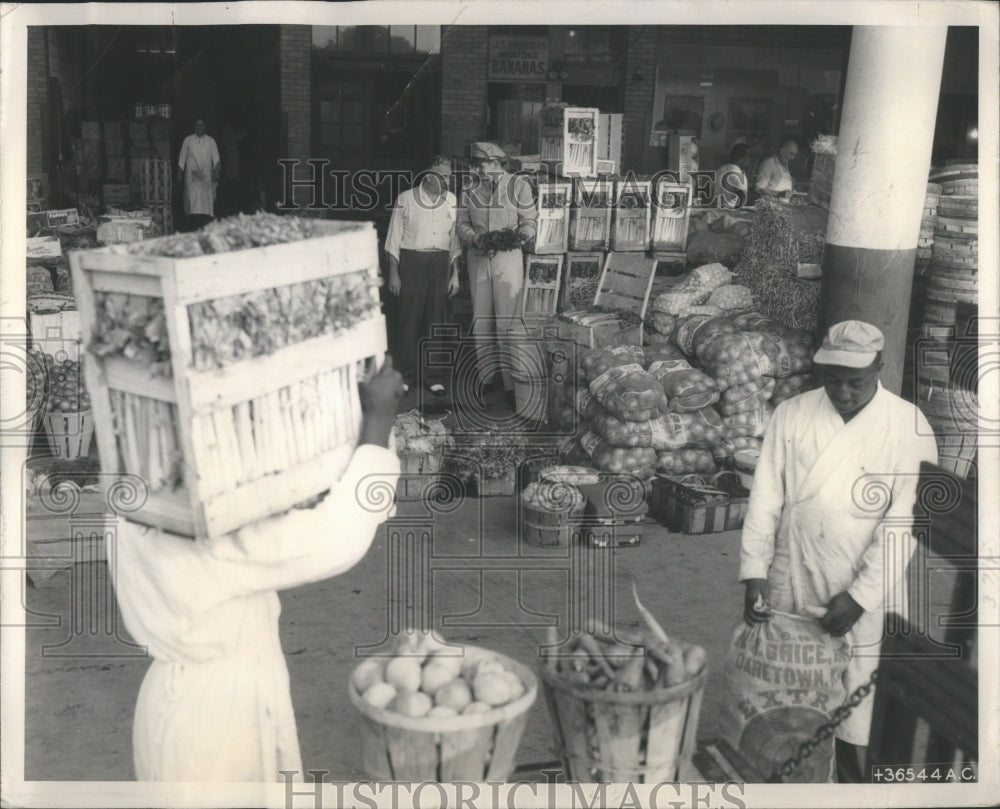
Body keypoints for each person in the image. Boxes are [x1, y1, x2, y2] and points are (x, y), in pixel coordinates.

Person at [107, 357, 405, 782]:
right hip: (213, 725)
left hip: (189, 705)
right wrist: (377, 422)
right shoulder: (195, 523)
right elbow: (335, 537)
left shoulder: (136, 479)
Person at [739, 320, 938, 783]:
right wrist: (754, 571)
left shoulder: (909, 426)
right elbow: (766, 497)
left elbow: (903, 523)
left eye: (856, 382)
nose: (843, 393)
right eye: (833, 380)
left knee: (857, 708)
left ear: (880, 368)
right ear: (820, 370)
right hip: (794, 576)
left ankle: (855, 785)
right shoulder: (792, 413)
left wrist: (861, 597)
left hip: (863, 589)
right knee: (791, 703)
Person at [456, 142, 537, 408]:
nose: (476, 168)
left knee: (508, 321)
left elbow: (529, 220)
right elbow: (462, 222)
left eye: (480, 164)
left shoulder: (519, 186)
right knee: (481, 319)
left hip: (508, 259)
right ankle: (486, 377)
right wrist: (472, 238)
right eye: (476, 164)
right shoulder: (470, 187)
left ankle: (510, 383)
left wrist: (521, 236)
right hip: (478, 259)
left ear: (495, 163)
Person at [385, 157, 462, 397]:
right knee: (409, 320)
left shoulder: (451, 201)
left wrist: (455, 275)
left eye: (449, 176)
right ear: (428, 176)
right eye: (442, 176)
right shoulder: (406, 199)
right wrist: (394, 274)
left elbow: (455, 241)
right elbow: (393, 240)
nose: (446, 181)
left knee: (436, 321)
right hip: (412, 262)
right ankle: (406, 376)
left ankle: (433, 376)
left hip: (440, 264)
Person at [177, 118, 221, 230]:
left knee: (206, 204)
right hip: (191, 177)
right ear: (194, 126)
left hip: (206, 177)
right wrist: (179, 174)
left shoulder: (211, 141)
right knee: (192, 202)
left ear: (205, 126)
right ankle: (192, 226)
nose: (199, 127)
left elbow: (216, 160)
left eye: (202, 125)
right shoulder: (188, 140)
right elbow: (182, 160)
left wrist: (216, 172)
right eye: (197, 125)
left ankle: (205, 227)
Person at [754, 137, 799, 201]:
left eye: (794, 155)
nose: (793, 158)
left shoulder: (784, 164)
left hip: (783, 208)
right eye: (791, 154)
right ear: (782, 151)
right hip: (770, 207)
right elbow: (759, 188)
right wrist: (779, 194)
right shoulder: (768, 164)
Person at [715, 143, 749, 208]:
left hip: (716, 210)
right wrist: (735, 212)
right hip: (729, 211)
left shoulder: (719, 170)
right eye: (748, 157)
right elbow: (743, 199)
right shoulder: (739, 175)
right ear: (743, 158)